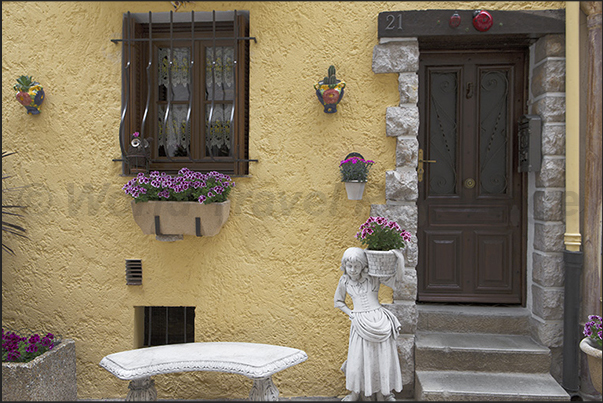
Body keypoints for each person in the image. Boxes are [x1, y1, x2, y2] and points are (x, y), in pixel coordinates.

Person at [334, 247, 403, 401]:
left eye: (356, 266)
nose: (352, 270)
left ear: (363, 265)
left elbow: (396, 280)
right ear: (344, 266)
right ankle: (357, 392)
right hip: (360, 323)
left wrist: (399, 259)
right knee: (358, 358)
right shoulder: (344, 281)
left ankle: (383, 392)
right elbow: (338, 301)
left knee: (381, 356)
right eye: (349, 266)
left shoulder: (373, 277)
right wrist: (350, 313)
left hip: (379, 320)